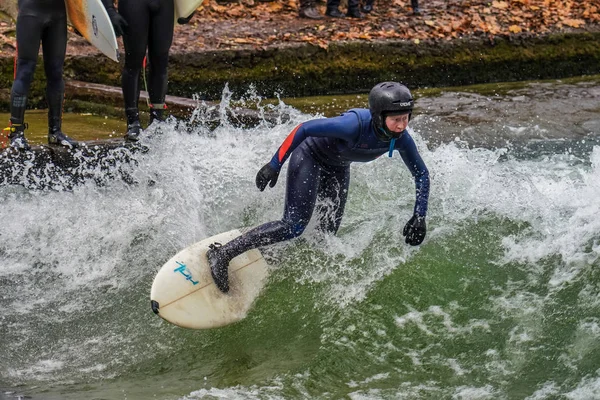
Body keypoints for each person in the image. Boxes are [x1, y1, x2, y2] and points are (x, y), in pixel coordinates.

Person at [206, 82, 430, 293]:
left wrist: (419, 216)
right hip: (309, 156)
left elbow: (421, 173)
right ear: (378, 117)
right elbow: (304, 129)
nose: (402, 125)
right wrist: (274, 165)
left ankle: (273, 251)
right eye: (396, 119)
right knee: (293, 225)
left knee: (326, 235)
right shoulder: (353, 125)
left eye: (405, 118)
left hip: (338, 167)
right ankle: (223, 254)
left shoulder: (401, 139)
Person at [101, 0, 195, 142]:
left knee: (160, 60)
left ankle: (157, 120)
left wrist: (190, 5)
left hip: (164, 5)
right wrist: (109, 9)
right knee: (134, 61)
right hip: (134, 5)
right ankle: (133, 122)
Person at [3, 0, 82, 150]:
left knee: (56, 72)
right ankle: (16, 133)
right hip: (31, 12)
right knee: (25, 70)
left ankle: (55, 131)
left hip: (58, 15)